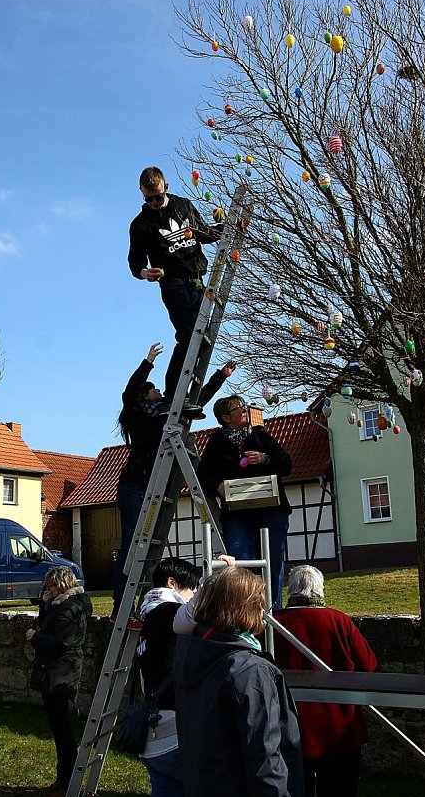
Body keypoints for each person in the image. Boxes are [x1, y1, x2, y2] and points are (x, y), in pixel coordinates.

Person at [112, 342, 235, 623]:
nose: (159, 391)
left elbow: (196, 401)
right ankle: (120, 608)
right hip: (134, 485)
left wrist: (220, 376)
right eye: (154, 389)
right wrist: (148, 362)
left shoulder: (165, 411)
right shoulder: (138, 415)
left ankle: (137, 604)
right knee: (132, 546)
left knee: (143, 548)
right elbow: (129, 393)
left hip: (152, 485)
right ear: (146, 395)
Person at [173, 566, 303, 797]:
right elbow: (266, 760)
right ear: (245, 607)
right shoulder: (250, 670)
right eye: (260, 602)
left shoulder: (193, 654)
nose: (264, 609)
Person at [271, 565, 377, 797]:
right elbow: (368, 664)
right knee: (340, 795)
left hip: (292, 727)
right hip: (340, 725)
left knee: (296, 794)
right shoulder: (339, 621)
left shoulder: (274, 624)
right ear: (319, 589)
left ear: (292, 590)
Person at [127, 166, 223, 408]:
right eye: (148, 199)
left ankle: (187, 395)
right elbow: (134, 261)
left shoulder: (183, 206)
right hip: (173, 284)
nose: (155, 203)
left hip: (198, 279)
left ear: (166, 188)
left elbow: (205, 233)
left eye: (158, 197)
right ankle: (172, 397)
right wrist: (144, 272)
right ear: (141, 194)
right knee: (188, 335)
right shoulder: (140, 225)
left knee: (203, 338)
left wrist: (229, 227)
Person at [197, 395, 293, 609]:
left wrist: (265, 458)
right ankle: (246, 614)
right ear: (225, 417)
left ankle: (272, 613)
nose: (244, 410)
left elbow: (286, 464)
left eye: (243, 406)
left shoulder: (260, 435)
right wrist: (217, 486)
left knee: (273, 563)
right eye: (238, 408)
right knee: (240, 563)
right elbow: (202, 476)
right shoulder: (216, 442)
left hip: (271, 510)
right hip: (237, 514)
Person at [25, 566, 92, 797]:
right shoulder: (66, 604)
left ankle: (68, 784)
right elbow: (50, 626)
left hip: (59, 672)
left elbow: (60, 642)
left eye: (50, 586)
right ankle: (62, 779)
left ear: (61, 586)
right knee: (60, 729)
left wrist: (35, 637)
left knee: (62, 730)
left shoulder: (68, 609)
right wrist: (44, 606)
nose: (47, 590)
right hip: (61, 670)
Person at [137, 557, 201, 797]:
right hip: (174, 733)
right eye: (191, 589)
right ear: (172, 583)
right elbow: (198, 610)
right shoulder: (167, 613)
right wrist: (218, 576)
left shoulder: (149, 617)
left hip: (152, 735)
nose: (192, 595)